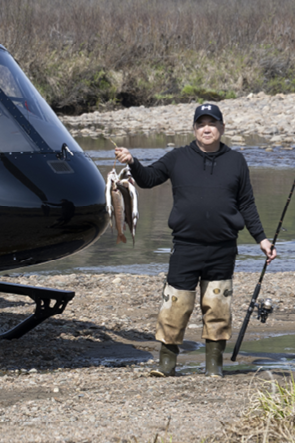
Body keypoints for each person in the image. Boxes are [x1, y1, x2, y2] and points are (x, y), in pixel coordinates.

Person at [114, 102, 276, 378]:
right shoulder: (177, 157)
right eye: (201, 124)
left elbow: (247, 203)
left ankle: (213, 366)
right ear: (194, 129)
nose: (207, 129)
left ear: (222, 127)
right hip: (185, 246)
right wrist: (132, 162)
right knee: (175, 305)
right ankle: (167, 364)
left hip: (223, 248)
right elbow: (149, 179)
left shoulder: (236, 161)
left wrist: (261, 238)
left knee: (218, 308)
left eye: (212, 124)